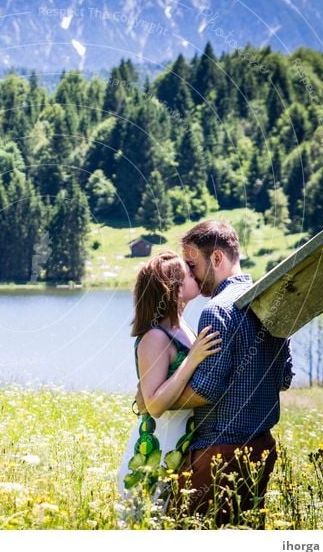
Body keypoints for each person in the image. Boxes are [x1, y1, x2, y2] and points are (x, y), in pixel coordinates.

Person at [136, 220, 293, 526]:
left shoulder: (218, 309)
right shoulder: (269, 300)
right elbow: (284, 378)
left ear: (217, 258)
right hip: (262, 446)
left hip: (219, 451)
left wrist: (152, 400)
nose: (190, 274)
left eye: (193, 265)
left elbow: (205, 390)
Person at [117, 250, 222, 505]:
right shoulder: (155, 337)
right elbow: (153, 406)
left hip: (178, 448)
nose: (195, 273)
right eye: (188, 272)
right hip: (153, 455)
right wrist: (193, 359)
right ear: (174, 289)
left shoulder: (181, 327)